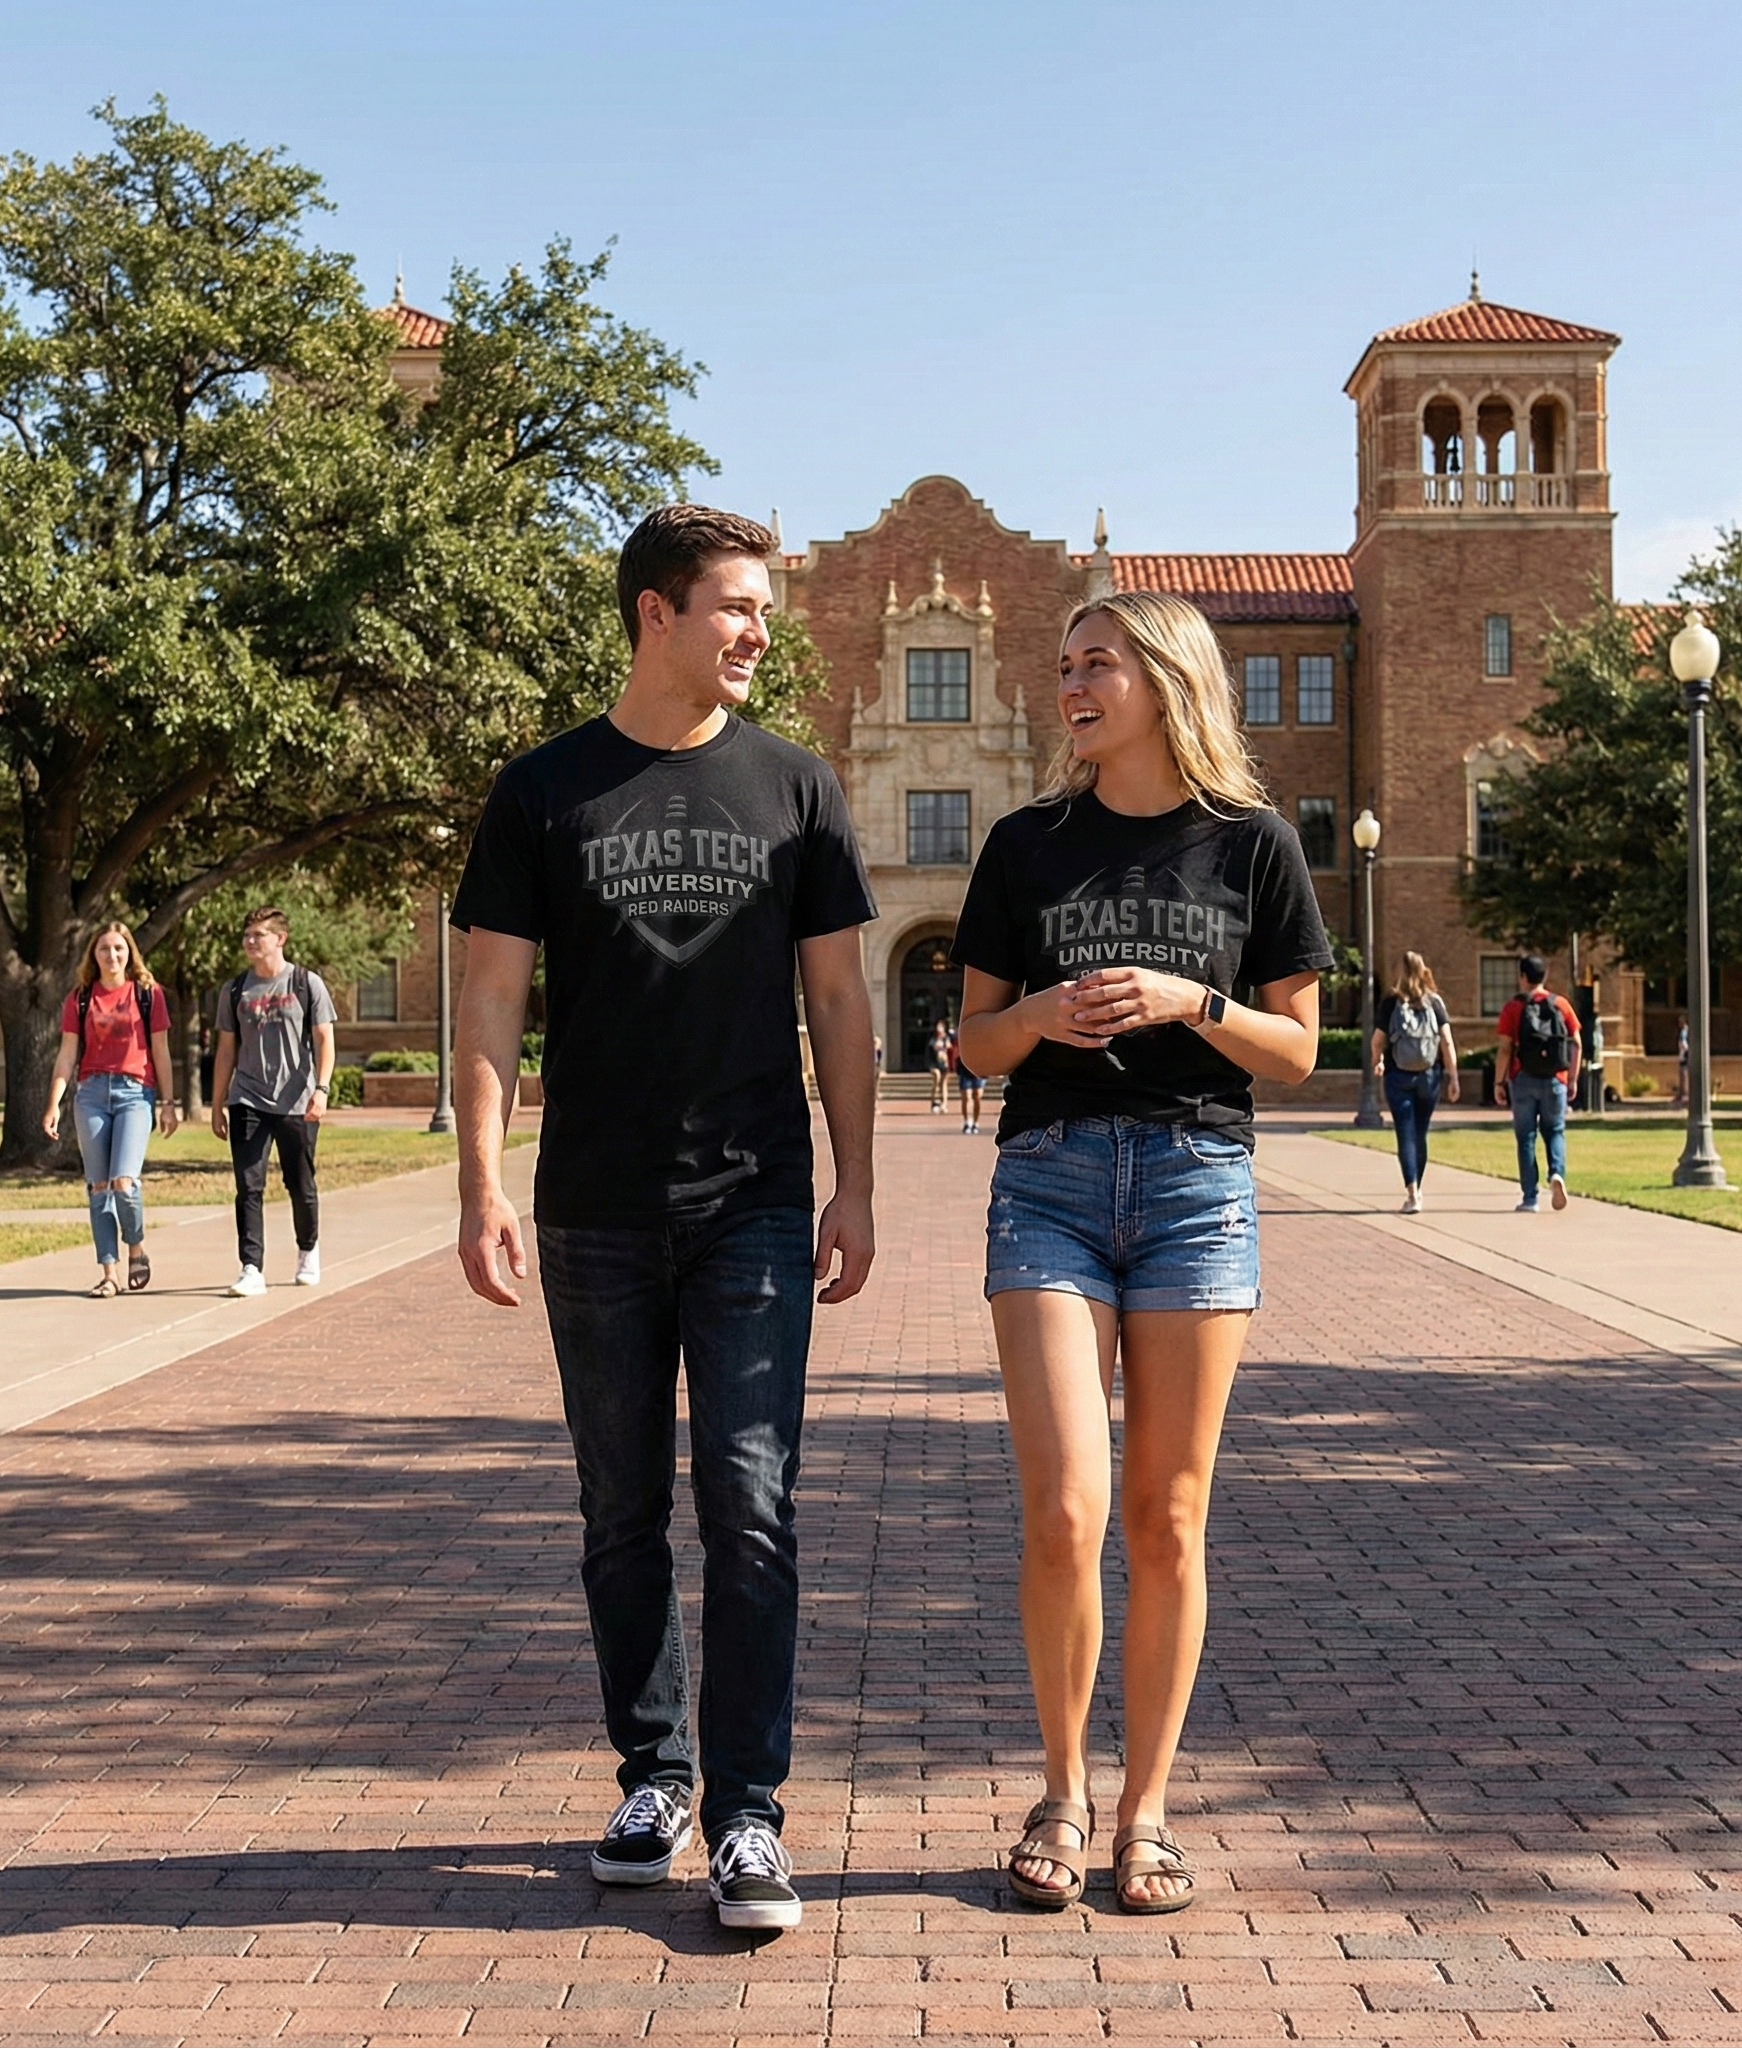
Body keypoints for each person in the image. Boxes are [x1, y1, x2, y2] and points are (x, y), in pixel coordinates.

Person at [451, 504, 877, 1934]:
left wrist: (856, 1181)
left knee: (750, 1509)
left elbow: (836, 1001)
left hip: (752, 1200)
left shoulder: (797, 787)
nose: (760, 630)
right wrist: (479, 1182)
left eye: (764, 607)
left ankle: (749, 1818)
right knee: (618, 1509)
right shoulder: (544, 791)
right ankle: (654, 1776)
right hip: (594, 1210)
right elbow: (493, 997)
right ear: (655, 614)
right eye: (736, 607)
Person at [953, 590, 1331, 1916]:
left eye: (1095, 662)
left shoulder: (1251, 848)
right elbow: (972, 1041)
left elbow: (1294, 1049)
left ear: (1166, 677)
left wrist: (1190, 999)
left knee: (1168, 1516)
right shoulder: (1024, 846)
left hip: (1194, 1185)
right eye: (1062, 665)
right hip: (1048, 1184)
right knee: (1065, 1507)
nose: (1071, 683)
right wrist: (1043, 1011)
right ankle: (1060, 1790)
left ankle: (1148, 1810)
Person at [43, 922, 179, 1297]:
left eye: (119, 948)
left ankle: (136, 1248)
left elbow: (161, 1052)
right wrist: (54, 1102)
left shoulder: (148, 994)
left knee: (124, 1182)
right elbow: (67, 1054)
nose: (112, 955)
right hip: (90, 1093)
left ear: (129, 953)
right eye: (104, 949)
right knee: (99, 1187)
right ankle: (109, 1273)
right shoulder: (80, 998)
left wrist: (168, 1104)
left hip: (135, 1093)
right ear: (94, 955)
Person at [210, 908, 338, 1295]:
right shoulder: (235, 990)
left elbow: (324, 1040)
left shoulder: (305, 983)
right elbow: (226, 1051)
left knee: (299, 1183)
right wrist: (217, 1104)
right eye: (247, 934)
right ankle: (251, 1267)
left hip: (297, 1100)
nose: (251, 941)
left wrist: (322, 1089)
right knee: (249, 1186)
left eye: (259, 935)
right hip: (248, 1098)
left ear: (280, 939)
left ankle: (307, 1250)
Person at [1370, 951, 1459, 1214]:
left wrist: (1379, 1060)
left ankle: (1413, 1193)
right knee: (1420, 1133)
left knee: (1405, 1133)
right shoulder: (1434, 1003)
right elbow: (1447, 1041)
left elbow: (1377, 1040)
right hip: (1429, 1076)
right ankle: (1418, 1187)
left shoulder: (1391, 1002)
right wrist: (1453, 1076)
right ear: (1423, 970)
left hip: (1399, 1076)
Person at [1494, 953, 1581, 1213]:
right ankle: (1557, 1173)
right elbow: (1576, 1042)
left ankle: (1530, 1197)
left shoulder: (1513, 1007)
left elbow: (1505, 1048)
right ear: (1545, 976)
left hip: (1523, 1078)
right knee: (1555, 1131)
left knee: (1526, 1137)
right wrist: (1573, 1077)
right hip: (1556, 1078)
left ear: (1522, 977)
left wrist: (1499, 1082)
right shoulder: (1561, 1005)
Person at [956, 1037, 985, 1134]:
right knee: (966, 1097)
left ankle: (975, 1123)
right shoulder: (965, 1034)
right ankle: (966, 1121)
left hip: (978, 1070)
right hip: (965, 1070)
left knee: (977, 1096)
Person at [926, 1018, 951, 1112]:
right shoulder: (933, 1038)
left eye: (942, 1026)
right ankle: (933, 1101)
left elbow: (950, 1049)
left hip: (944, 1063)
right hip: (934, 1062)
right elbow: (930, 1049)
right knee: (937, 1077)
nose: (939, 1028)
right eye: (938, 1026)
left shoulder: (946, 1038)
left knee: (944, 1084)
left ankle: (944, 1104)